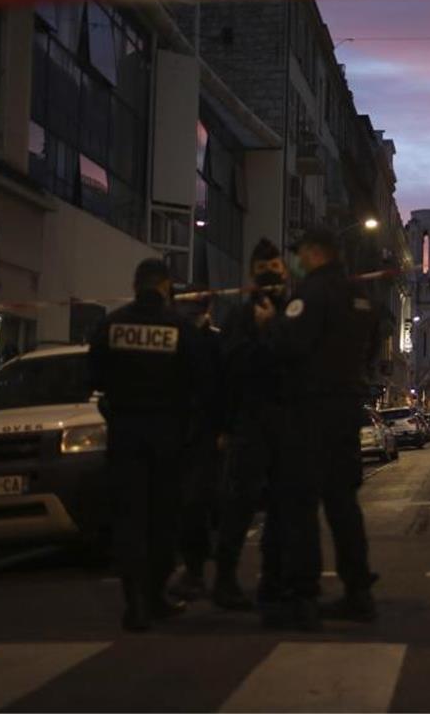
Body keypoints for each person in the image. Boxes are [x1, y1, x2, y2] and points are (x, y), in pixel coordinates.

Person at [253, 226, 381, 630]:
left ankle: (303, 596)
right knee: (343, 503)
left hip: (310, 412)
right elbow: (373, 348)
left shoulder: (311, 293)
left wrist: (269, 322)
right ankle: (358, 591)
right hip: (347, 410)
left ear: (313, 253)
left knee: (300, 504)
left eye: (300, 254)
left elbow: (288, 345)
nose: (297, 261)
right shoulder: (360, 296)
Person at [88, 259, 206, 632]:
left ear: (136, 283)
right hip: (167, 437)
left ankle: (134, 602)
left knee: (129, 520)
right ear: (165, 285)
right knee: (161, 519)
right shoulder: (179, 328)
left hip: (125, 434)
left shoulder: (110, 325)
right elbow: (198, 381)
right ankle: (154, 596)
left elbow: (94, 378)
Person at [212, 239, 292, 611]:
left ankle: (273, 581)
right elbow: (231, 371)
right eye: (264, 268)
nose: (271, 274)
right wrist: (226, 427)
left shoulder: (293, 313)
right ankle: (225, 580)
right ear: (252, 274)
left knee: (280, 509)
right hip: (250, 424)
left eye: (275, 266)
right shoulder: (241, 318)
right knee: (240, 506)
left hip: (283, 425)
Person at [170, 286, 225, 602]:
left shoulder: (211, 343)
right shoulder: (184, 340)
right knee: (187, 502)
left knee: (194, 501)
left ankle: (194, 568)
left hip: (198, 433)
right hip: (185, 432)